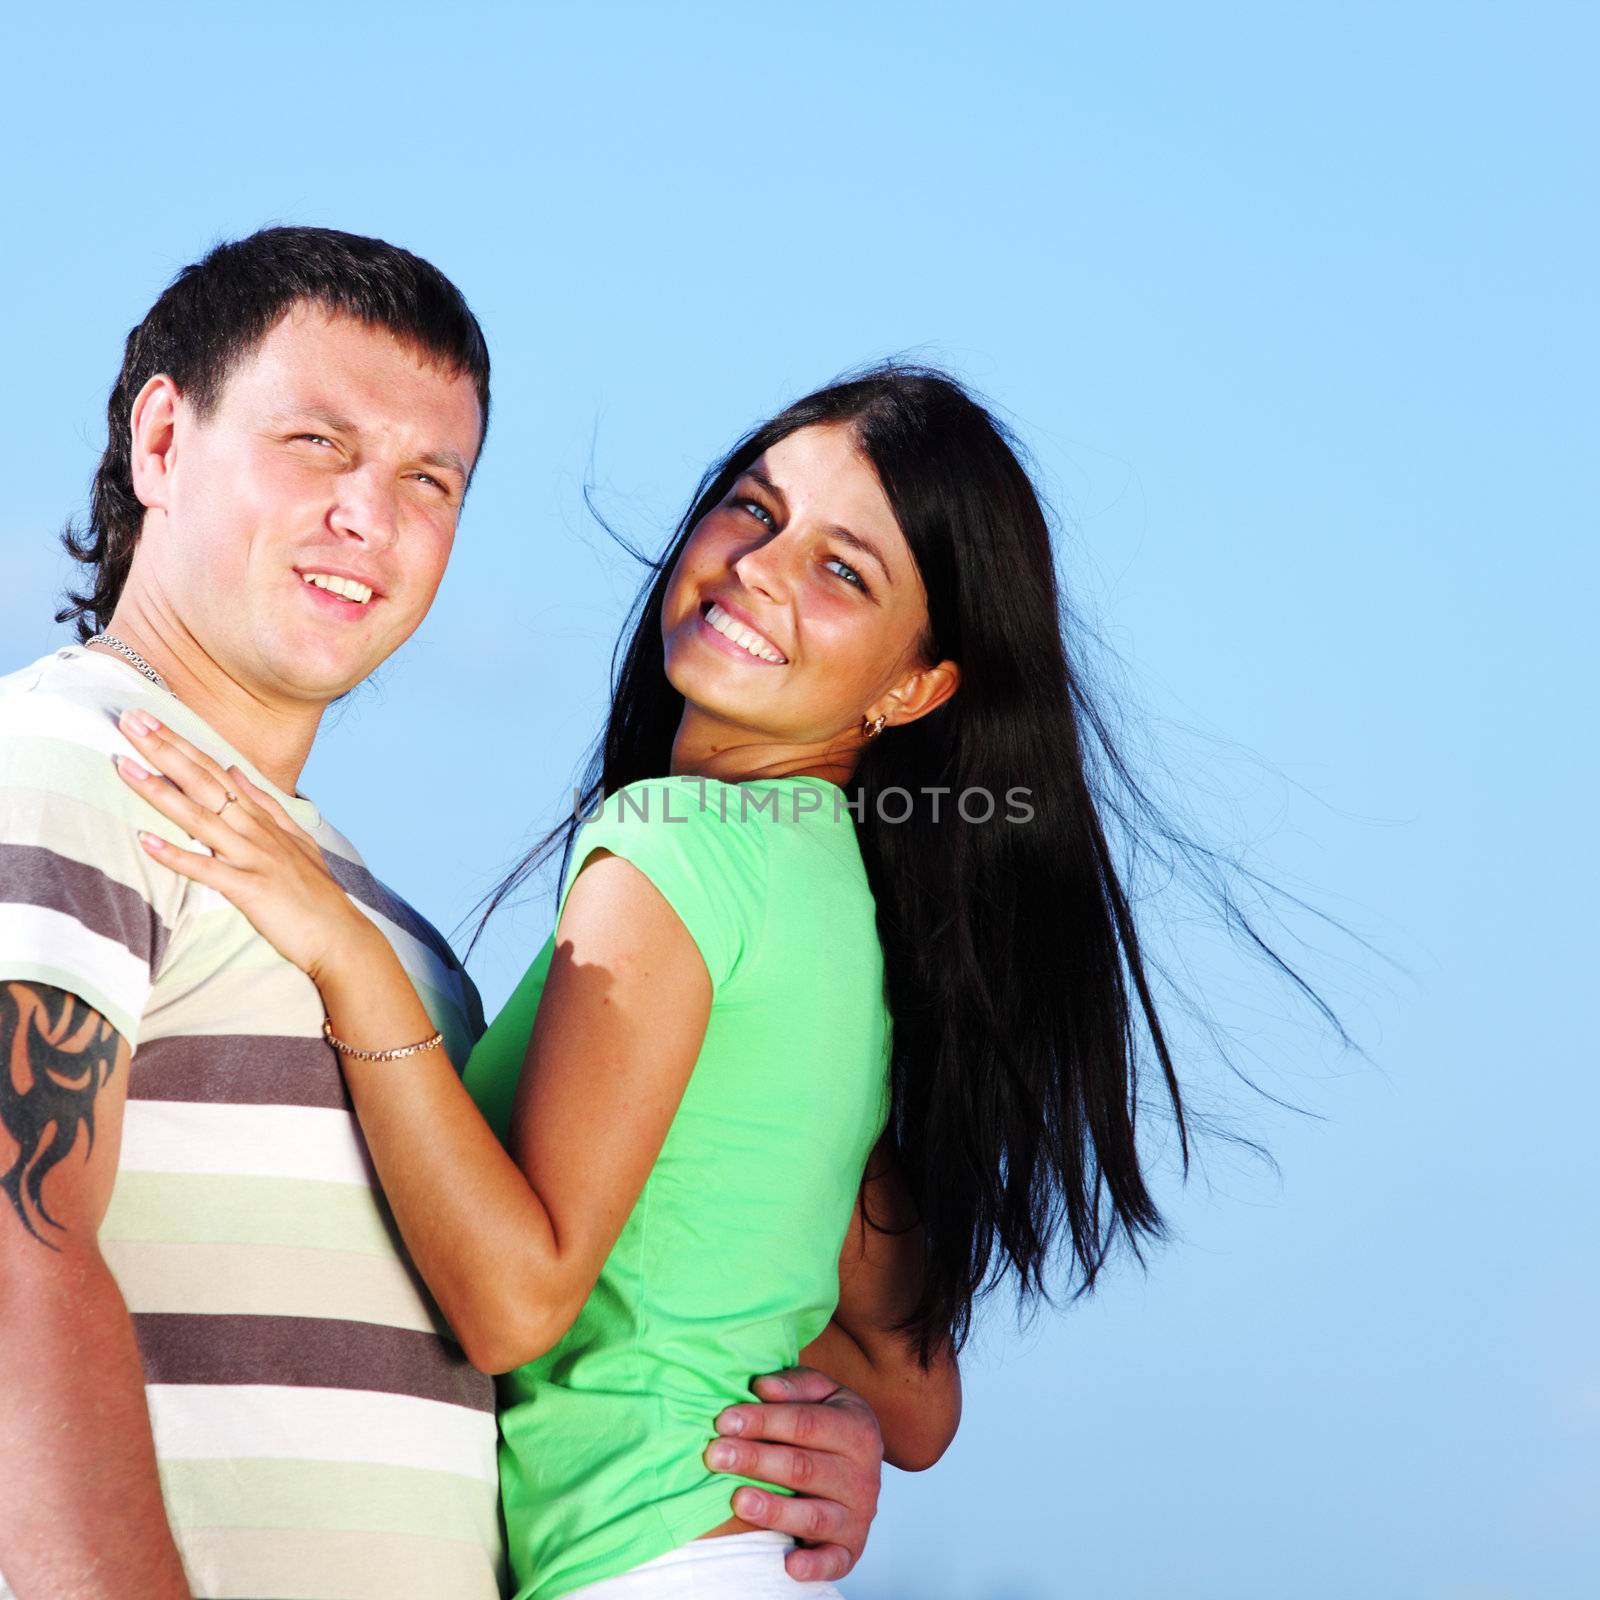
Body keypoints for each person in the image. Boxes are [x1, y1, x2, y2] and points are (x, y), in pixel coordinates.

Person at [109, 365, 1257, 1597]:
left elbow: (512, 1306)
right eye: (756, 510)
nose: (763, 565)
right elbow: (912, 1396)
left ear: (913, 686)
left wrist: (342, 948)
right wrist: (816, 1423)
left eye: (844, 570)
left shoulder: (674, 848)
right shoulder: (837, 900)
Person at [0, 227, 890, 1600]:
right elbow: (15, 1255)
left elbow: (622, 1281)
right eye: (316, 443)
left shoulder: (407, 951)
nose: (375, 514)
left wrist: (807, 1439)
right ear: (162, 442)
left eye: (431, 478)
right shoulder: (65, 763)